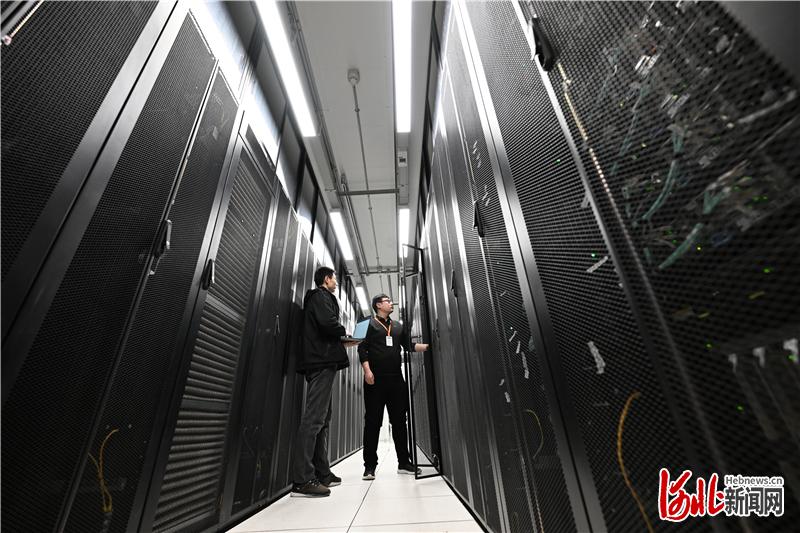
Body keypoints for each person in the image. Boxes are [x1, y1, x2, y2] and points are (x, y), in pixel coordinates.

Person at [291, 266, 357, 497]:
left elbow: (324, 329)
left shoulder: (320, 298)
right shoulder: (320, 296)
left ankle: (322, 473)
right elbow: (328, 324)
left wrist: (342, 341)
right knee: (314, 419)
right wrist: (343, 332)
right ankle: (302, 480)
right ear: (326, 279)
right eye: (334, 279)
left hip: (323, 360)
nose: (336, 283)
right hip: (320, 362)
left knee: (323, 419)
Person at [359, 294, 429, 480]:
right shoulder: (366, 323)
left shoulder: (397, 326)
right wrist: (367, 371)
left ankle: (404, 463)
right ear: (378, 305)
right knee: (373, 422)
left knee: (399, 422)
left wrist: (428, 346)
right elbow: (362, 348)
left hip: (396, 380)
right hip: (375, 380)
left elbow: (409, 346)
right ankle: (369, 466)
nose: (391, 303)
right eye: (387, 301)